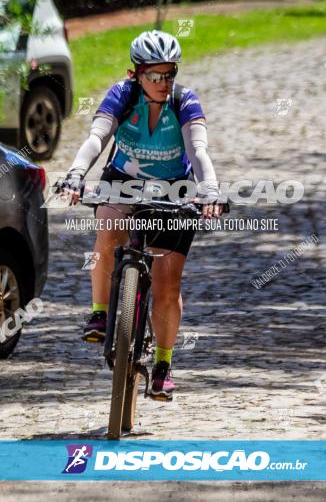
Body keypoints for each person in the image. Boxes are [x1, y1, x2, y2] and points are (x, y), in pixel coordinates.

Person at [59, 30, 222, 401]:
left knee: (167, 284)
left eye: (170, 74)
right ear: (136, 74)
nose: (164, 83)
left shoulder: (184, 101)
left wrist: (210, 189)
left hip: (174, 188)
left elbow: (198, 150)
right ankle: (100, 313)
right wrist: (75, 173)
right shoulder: (122, 95)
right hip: (124, 181)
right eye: (155, 75)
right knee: (108, 226)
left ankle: (163, 364)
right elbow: (97, 139)